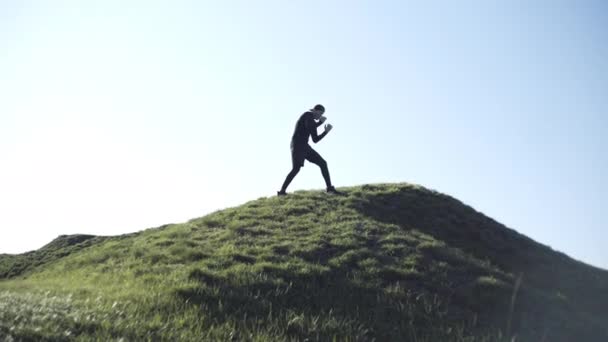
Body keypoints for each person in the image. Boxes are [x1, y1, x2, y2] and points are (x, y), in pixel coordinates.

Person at [278, 104, 339, 196]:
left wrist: (323, 128)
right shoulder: (307, 115)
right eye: (319, 113)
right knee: (296, 169)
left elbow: (313, 136)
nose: (320, 115)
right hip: (297, 146)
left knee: (323, 163)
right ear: (314, 110)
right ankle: (282, 192)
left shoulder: (311, 120)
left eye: (322, 114)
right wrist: (323, 127)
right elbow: (311, 131)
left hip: (305, 146)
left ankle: (329, 188)